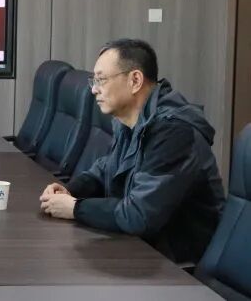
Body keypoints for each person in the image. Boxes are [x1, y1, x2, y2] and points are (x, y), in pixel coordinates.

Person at [39, 38, 224, 263]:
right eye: (93, 81)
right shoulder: (131, 120)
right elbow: (106, 169)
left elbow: (139, 215)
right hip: (143, 247)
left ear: (135, 80)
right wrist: (70, 191)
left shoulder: (175, 132)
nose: (94, 90)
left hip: (175, 262)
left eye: (101, 80)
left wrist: (75, 208)